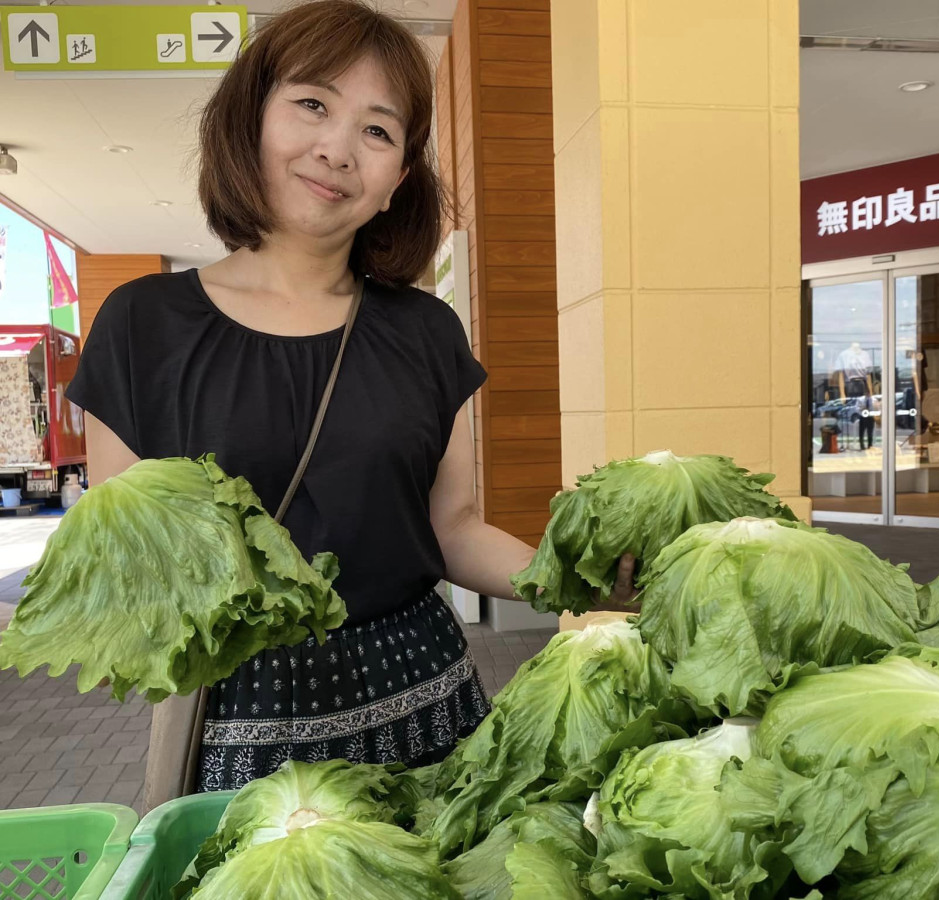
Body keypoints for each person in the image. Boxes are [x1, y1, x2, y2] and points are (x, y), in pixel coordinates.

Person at [66, 0, 635, 796]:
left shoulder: (428, 332)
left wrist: (584, 582)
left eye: (378, 129)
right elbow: (126, 554)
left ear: (398, 178)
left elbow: (456, 531)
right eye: (312, 105)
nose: (337, 148)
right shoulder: (140, 323)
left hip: (425, 695)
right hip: (241, 714)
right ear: (250, 118)